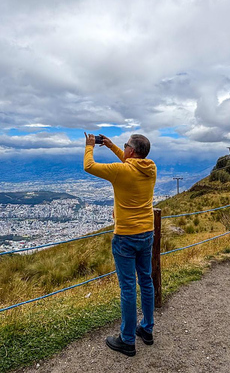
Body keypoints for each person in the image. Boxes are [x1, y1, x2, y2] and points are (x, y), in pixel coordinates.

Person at [84, 132, 156, 357]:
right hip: (147, 232)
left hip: (125, 236)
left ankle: (127, 340)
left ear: (131, 151)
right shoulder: (151, 168)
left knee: (127, 287)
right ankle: (147, 329)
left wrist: (90, 146)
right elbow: (130, 161)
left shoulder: (121, 171)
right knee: (146, 281)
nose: (123, 150)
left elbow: (89, 166)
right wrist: (113, 145)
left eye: (125, 147)